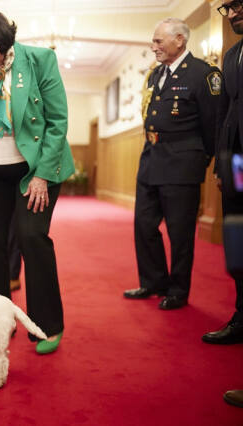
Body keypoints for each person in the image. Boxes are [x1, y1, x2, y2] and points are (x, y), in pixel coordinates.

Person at [0, 9, 75, 355]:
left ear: (4, 40)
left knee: (31, 237)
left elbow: (57, 122)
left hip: (35, 169)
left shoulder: (39, 60)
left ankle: (47, 326)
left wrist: (41, 175)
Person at [123, 18, 221, 310]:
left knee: (180, 233)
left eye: (158, 41)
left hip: (182, 164)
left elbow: (212, 124)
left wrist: (201, 160)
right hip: (151, 158)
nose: (153, 47)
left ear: (179, 40)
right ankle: (153, 281)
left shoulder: (203, 74)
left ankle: (178, 290)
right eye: (153, 42)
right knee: (143, 224)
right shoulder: (156, 75)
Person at [201, 0, 243, 346]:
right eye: (227, 7)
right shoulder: (231, 56)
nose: (231, 13)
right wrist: (221, 162)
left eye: (238, 5)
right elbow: (224, 114)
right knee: (239, 248)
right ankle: (241, 317)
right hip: (237, 168)